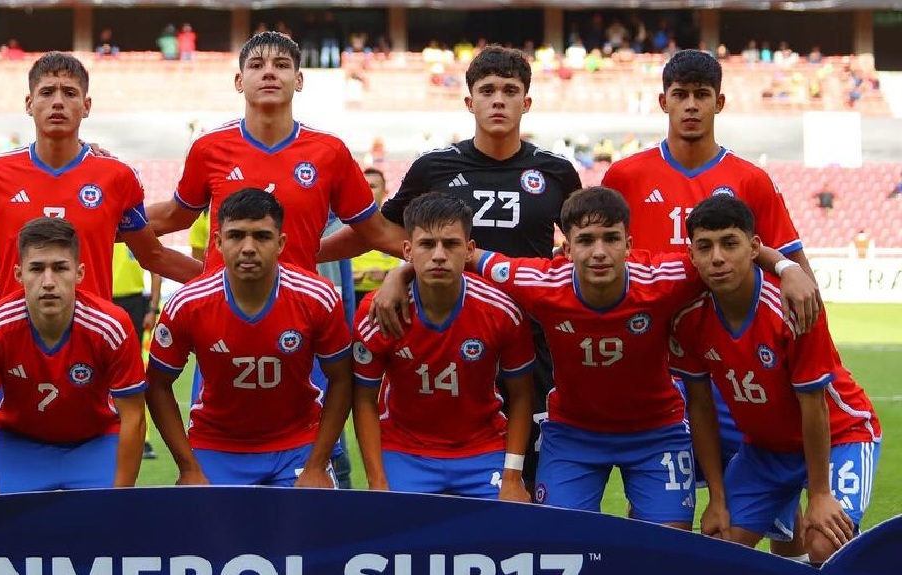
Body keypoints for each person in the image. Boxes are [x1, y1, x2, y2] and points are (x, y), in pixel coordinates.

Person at [375, 186, 811, 527]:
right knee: (563, 539)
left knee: (668, 541)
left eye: (610, 238)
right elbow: (458, 255)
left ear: (629, 242)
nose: (598, 251)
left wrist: (785, 267)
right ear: (566, 248)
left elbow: (730, 254)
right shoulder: (540, 282)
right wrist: (401, 272)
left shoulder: (665, 276)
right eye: (585, 240)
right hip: (574, 434)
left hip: (655, 430)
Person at [321, 45, 582, 495]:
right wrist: (311, 256)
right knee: (445, 458)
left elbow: (580, 250)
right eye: (487, 90)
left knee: (524, 488)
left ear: (527, 101)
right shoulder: (435, 168)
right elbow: (381, 230)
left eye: (510, 90)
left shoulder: (556, 173)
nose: (498, 100)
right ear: (469, 102)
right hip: (446, 340)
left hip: (531, 347)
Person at [601, 49, 820, 555]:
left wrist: (790, 277)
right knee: (658, 515)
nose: (691, 106)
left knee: (776, 522)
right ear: (663, 101)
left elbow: (796, 273)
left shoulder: (750, 181)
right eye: (681, 95)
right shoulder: (626, 178)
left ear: (719, 102)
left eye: (702, 95)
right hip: (653, 370)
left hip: (735, 374)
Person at [671, 195, 881, 564]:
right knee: (720, 544)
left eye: (729, 244)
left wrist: (819, 494)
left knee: (824, 542)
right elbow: (700, 406)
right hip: (765, 450)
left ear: (754, 248)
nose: (717, 257)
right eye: (705, 247)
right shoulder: (689, 317)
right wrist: (717, 500)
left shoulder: (793, 306)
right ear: (692, 255)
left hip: (841, 434)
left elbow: (814, 404)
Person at [0, 52, 201, 299]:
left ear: (87, 106)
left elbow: (153, 256)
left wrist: (226, 282)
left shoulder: (117, 176)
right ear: (29, 103)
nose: (58, 102)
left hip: (92, 341)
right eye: (47, 92)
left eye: (69, 93)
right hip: (13, 341)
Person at [146, 31, 404, 274]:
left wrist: (433, 256)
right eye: (256, 65)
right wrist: (108, 214)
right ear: (239, 81)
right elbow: (172, 217)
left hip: (300, 310)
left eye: (281, 65)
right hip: (222, 312)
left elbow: (376, 233)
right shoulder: (208, 148)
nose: (269, 72)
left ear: (299, 80)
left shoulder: (330, 152)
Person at [145, 189, 351, 487]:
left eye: (262, 236)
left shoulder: (317, 297)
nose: (248, 247)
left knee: (306, 532)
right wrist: (188, 466)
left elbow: (342, 379)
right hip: (216, 445)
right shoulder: (188, 304)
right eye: (236, 235)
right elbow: (158, 384)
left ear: (281, 243)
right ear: (217, 242)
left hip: (297, 445)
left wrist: (318, 463)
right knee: (214, 534)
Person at [352, 192, 535, 501]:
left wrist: (513, 477)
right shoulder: (379, 311)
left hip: (481, 448)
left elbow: (520, 397)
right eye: (427, 244)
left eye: (450, 244)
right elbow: (364, 400)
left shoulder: (501, 311)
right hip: (405, 449)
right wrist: (377, 481)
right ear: (408, 250)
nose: (439, 255)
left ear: (469, 250)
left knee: (505, 536)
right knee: (397, 539)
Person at [0, 218, 147, 494]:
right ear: (19, 274)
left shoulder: (112, 326)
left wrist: (120, 500)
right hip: (17, 442)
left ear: (79, 273)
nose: (48, 281)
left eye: (60, 268)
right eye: (36, 269)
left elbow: (133, 417)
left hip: (94, 441)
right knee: (5, 532)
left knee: (104, 532)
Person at [112, 242, 162, 459]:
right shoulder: (97, 226)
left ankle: (143, 437)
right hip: (104, 300)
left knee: (137, 372)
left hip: (134, 304)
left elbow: (156, 267)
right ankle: (106, 434)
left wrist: (153, 308)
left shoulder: (136, 231)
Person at [350, 167, 399, 307]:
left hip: (386, 294)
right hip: (352, 294)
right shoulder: (342, 225)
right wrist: (347, 276)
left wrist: (386, 274)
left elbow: (410, 261)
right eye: (363, 187)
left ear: (385, 191)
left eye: (372, 186)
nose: (367, 191)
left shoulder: (396, 225)